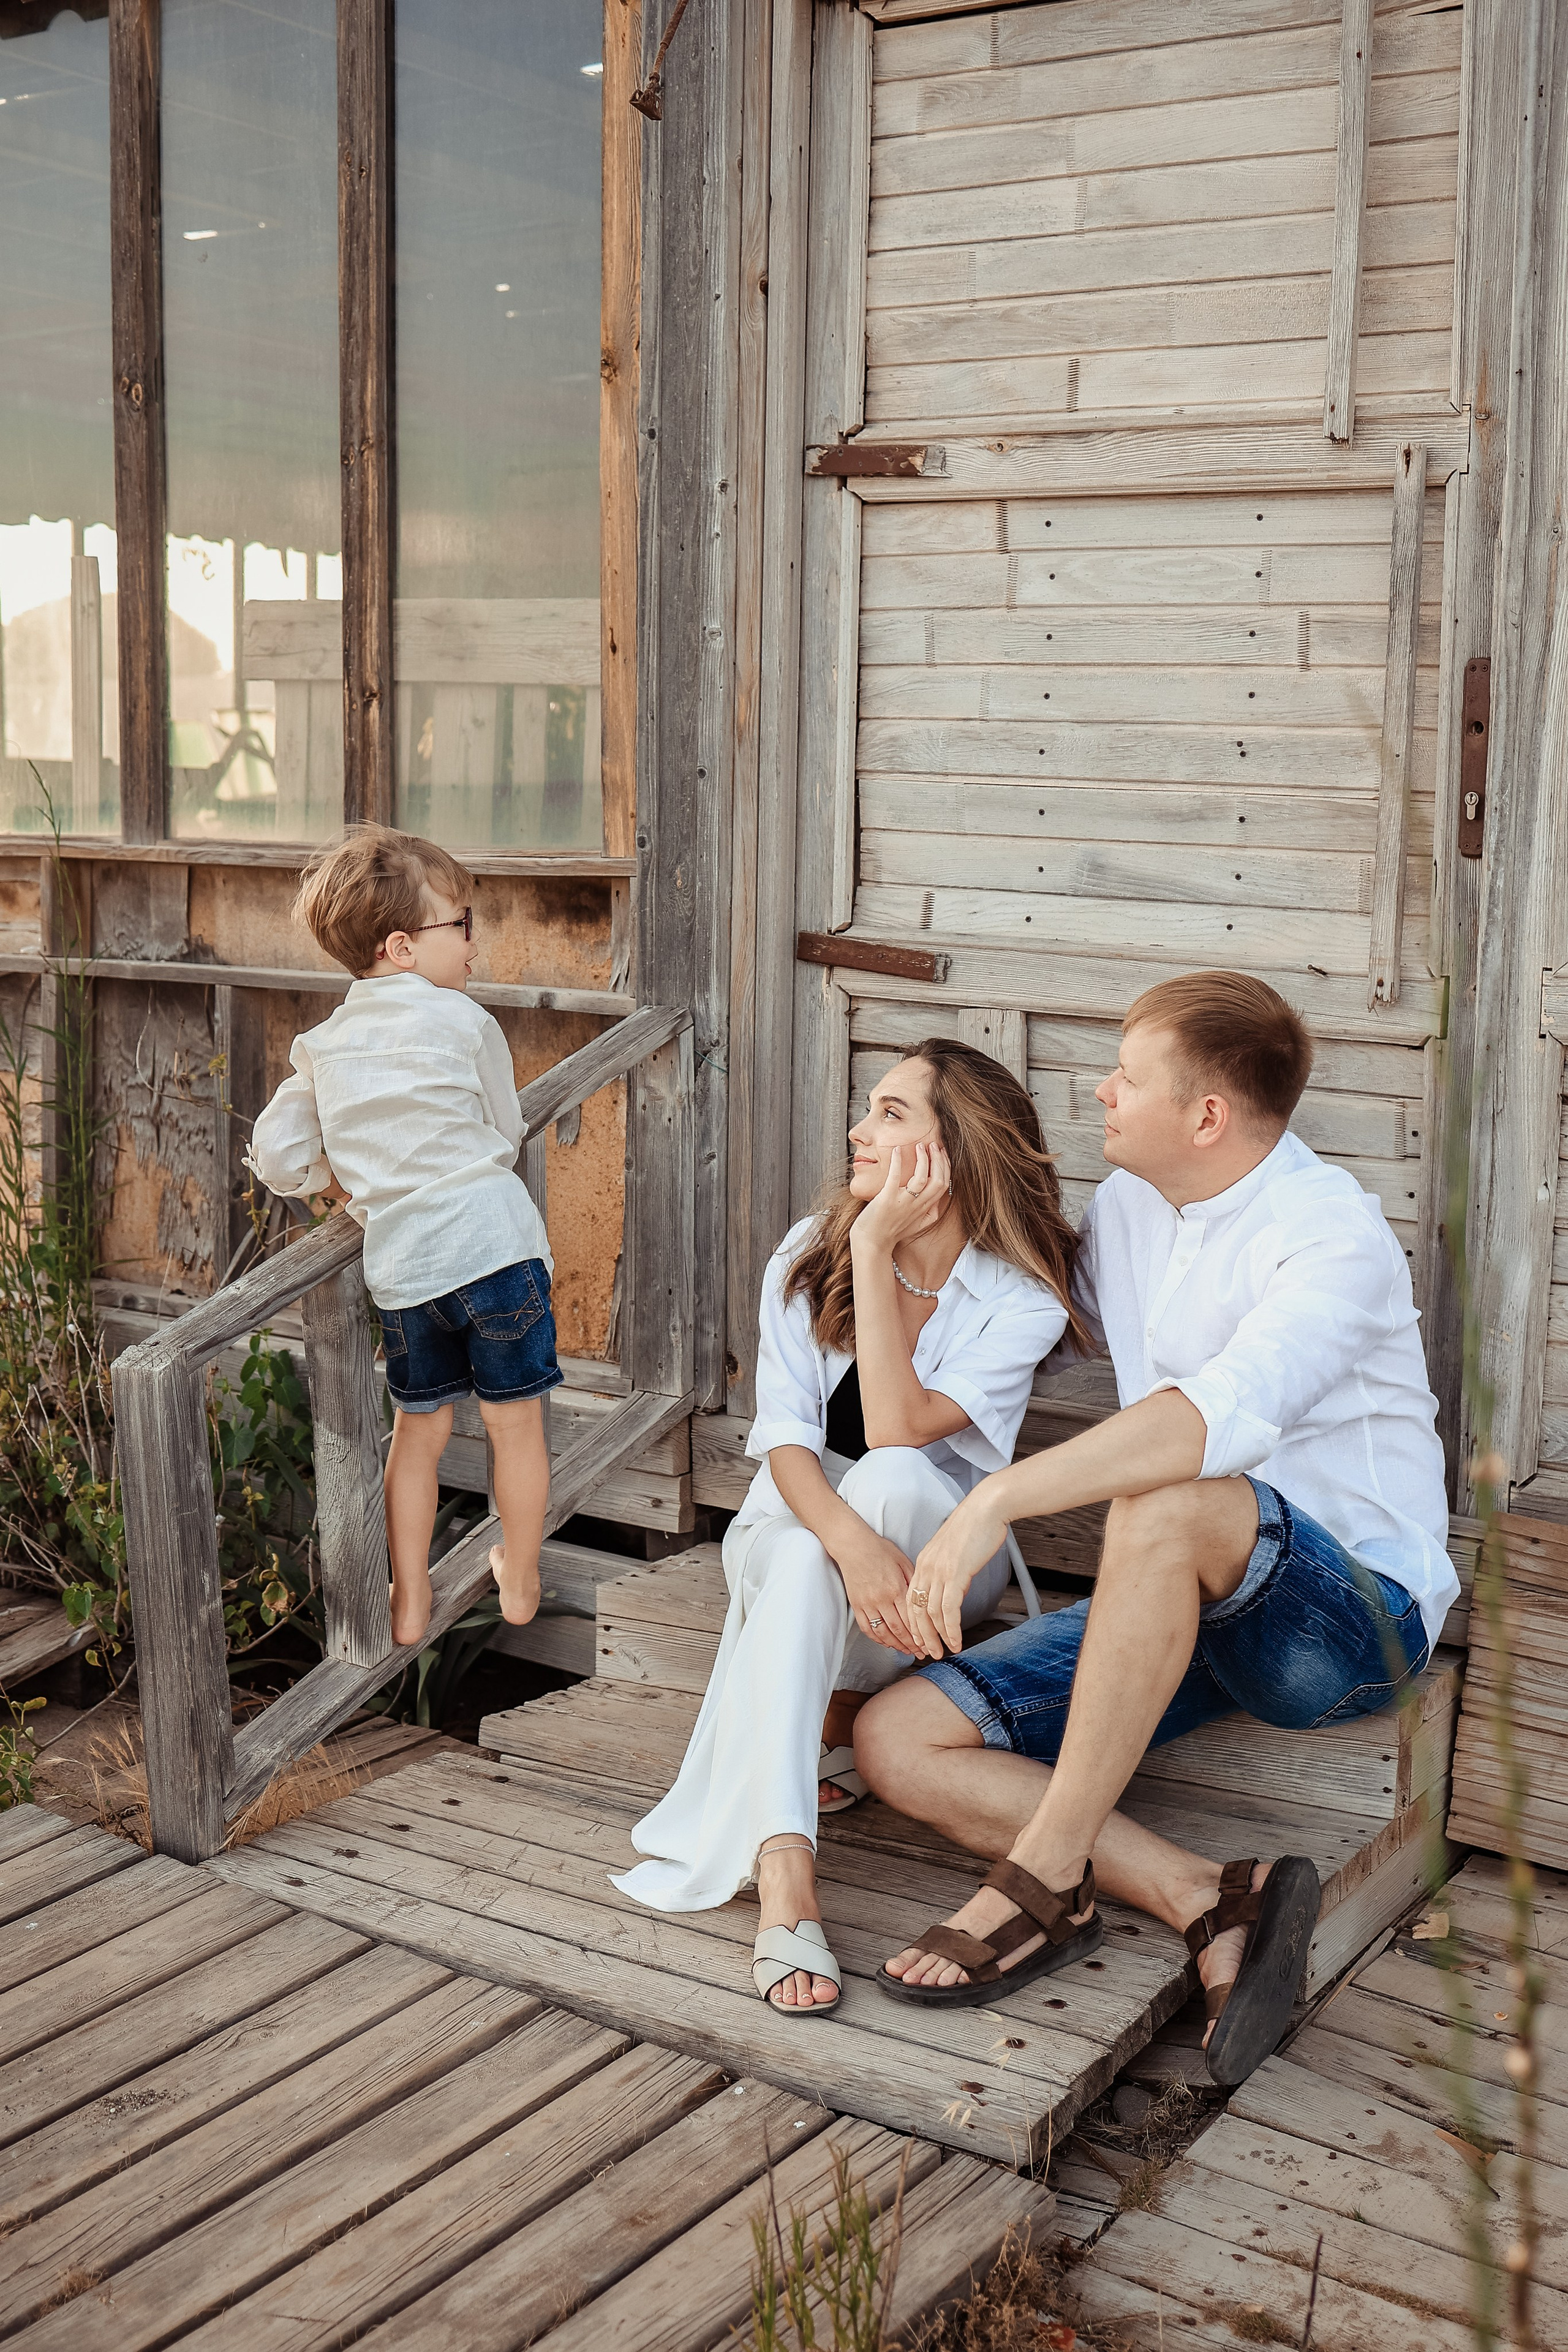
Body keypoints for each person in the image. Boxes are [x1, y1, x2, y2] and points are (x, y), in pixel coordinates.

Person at [856, 971, 1458, 2089]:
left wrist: (993, 1498)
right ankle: (1206, 1895)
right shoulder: (1132, 1207)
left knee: (1173, 1492)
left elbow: (1210, 1423)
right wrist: (894, 1222)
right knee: (898, 1739)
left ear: (1207, 1115)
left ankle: (1043, 1877)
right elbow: (1028, 1318)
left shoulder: (1331, 1237)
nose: (1100, 1092)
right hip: (1185, 1607)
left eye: (1127, 1077)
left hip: (1346, 1624)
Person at [613, 1039, 1085, 2016]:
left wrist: (874, 1250)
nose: (858, 1132)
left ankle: (831, 1733)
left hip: (940, 1571)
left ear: (954, 1150)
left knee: (899, 1473)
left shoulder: (1020, 1297)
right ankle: (787, 1871)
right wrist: (848, 1544)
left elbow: (898, 1431)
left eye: (891, 1114)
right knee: (795, 1553)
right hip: (802, 1528)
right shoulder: (806, 1250)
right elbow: (786, 1443)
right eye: (867, 1109)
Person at [248, 825, 560, 1650]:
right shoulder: (465, 1021)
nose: (474, 942)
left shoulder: (324, 1047)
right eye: (462, 924)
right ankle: (522, 1576)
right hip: (496, 1253)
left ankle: (410, 1592)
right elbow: (506, 1130)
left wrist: (334, 1181)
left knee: (418, 1434)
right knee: (515, 1426)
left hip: (407, 1273)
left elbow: (277, 1154)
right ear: (402, 947)